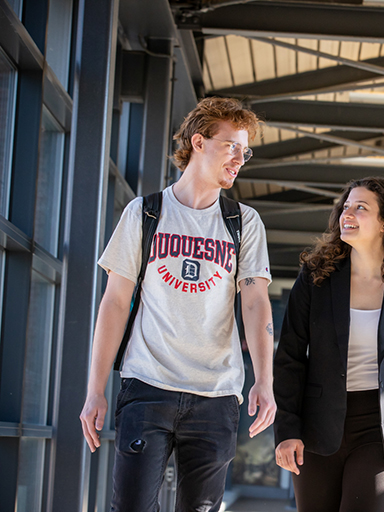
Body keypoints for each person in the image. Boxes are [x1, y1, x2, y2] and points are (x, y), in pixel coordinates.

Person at [79, 97, 276, 511]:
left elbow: (256, 305)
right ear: (199, 142)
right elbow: (114, 303)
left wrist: (264, 380)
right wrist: (95, 389)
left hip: (217, 394)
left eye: (246, 150)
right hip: (147, 386)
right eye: (231, 146)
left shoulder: (244, 222)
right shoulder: (145, 214)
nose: (240, 158)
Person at [273, 176, 384, 512]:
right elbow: (290, 357)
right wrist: (286, 429)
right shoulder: (315, 278)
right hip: (318, 425)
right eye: (345, 207)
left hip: (383, 431)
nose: (347, 213)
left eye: (360, 207)